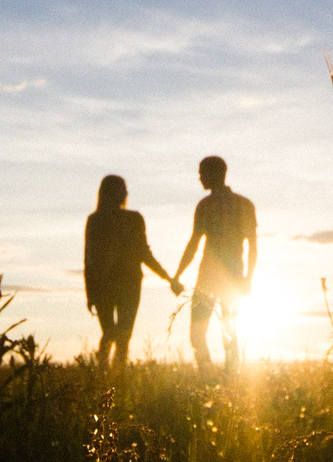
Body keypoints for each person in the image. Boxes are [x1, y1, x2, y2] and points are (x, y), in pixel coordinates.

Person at [84, 174, 180, 366]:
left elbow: (90, 260)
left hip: (109, 284)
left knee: (112, 333)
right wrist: (168, 279)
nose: (126, 193)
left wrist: (91, 292)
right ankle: (111, 375)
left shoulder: (97, 219)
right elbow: (144, 254)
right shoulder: (131, 219)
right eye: (122, 189)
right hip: (126, 283)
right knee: (120, 335)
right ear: (114, 192)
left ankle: (104, 375)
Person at [172, 154, 257, 372]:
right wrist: (247, 278)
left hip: (219, 276)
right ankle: (214, 375)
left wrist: (177, 275)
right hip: (229, 275)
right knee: (222, 330)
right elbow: (252, 247)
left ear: (214, 174)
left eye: (202, 173)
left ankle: (219, 376)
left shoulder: (211, 205)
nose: (199, 177)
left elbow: (193, 244)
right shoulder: (240, 204)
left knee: (215, 331)